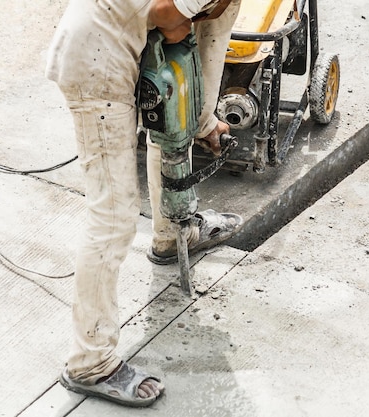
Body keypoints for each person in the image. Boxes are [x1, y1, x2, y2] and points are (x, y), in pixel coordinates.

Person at [45, 0, 242, 407]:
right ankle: (90, 362)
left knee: (167, 125)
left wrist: (199, 120)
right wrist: (180, 47)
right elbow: (167, 11)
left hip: (116, 44)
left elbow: (194, 28)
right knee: (113, 216)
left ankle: (172, 236)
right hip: (98, 64)